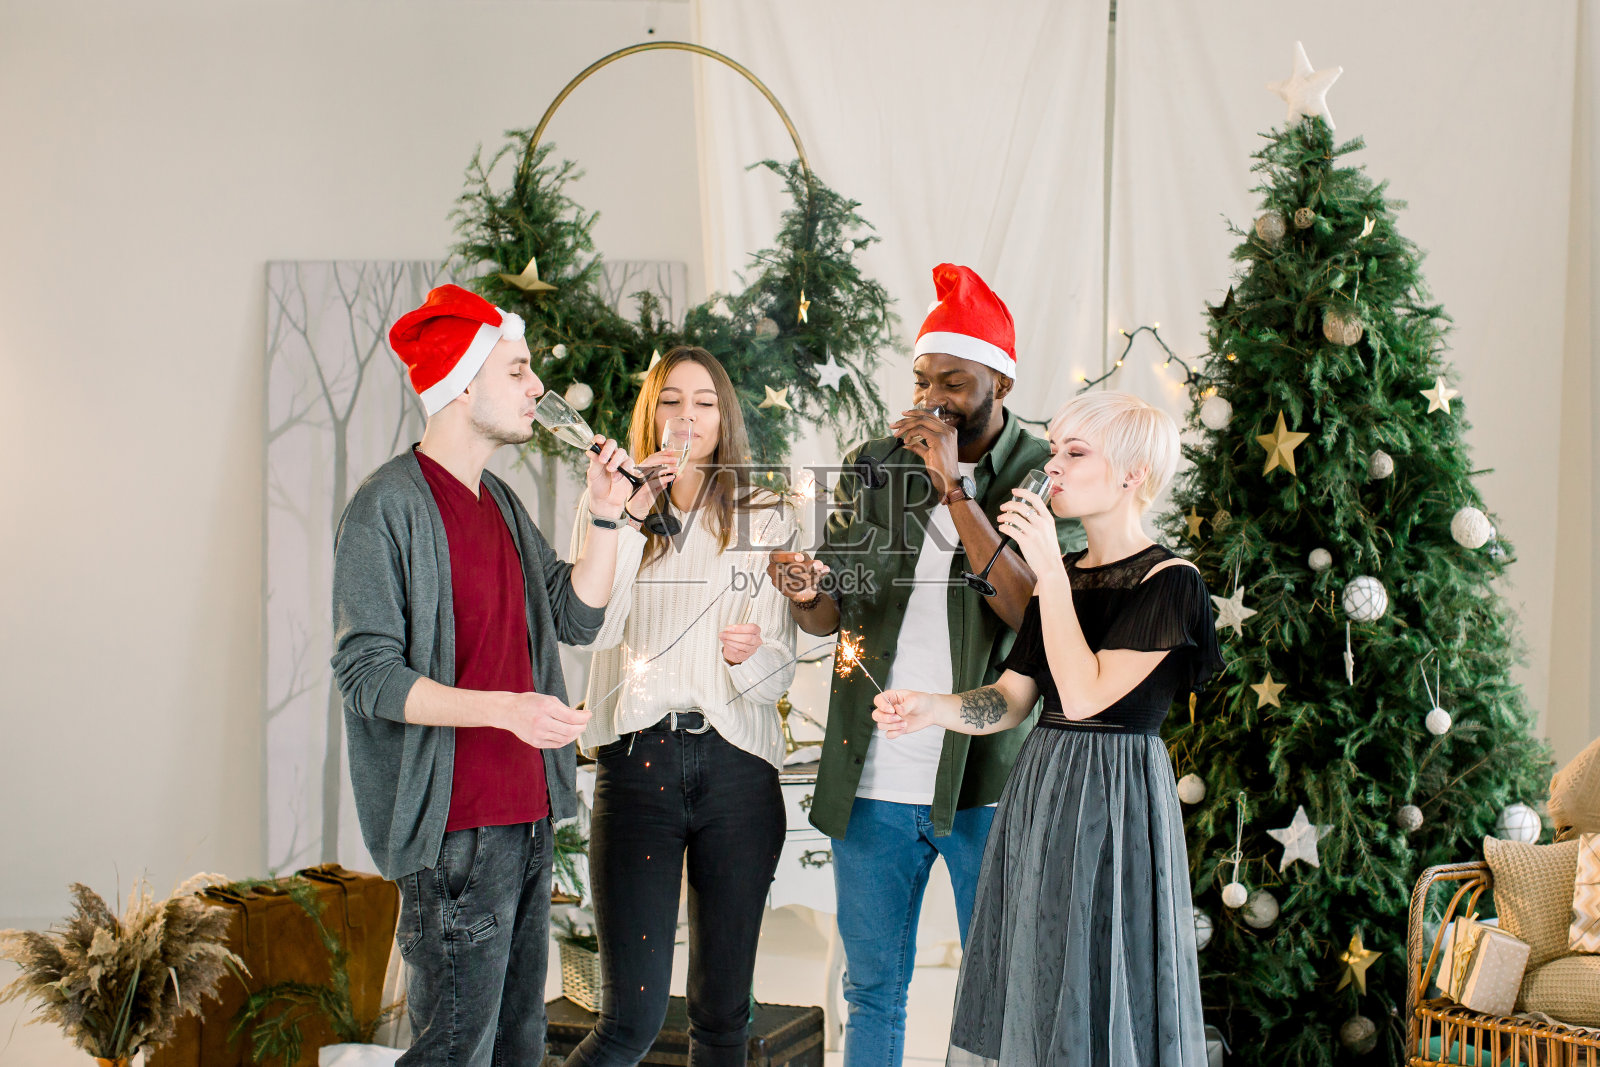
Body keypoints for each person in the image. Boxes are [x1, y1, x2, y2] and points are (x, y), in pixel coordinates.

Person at [768, 264, 1083, 1067]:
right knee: (873, 990)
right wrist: (808, 589)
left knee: (1001, 987)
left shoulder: (1046, 471)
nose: (932, 393)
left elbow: (1032, 610)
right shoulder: (875, 460)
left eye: (954, 378)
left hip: (988, 779)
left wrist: (952, 489)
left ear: (1000, 379)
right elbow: (830, 614)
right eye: (921, 377)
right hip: (872, 775)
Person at [331, 283, 636, 1067]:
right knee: (454, 1048)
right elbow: (368, 675)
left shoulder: (498, 499)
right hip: (455, 835)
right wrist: (508, 711)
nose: (539, 388)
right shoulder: (385, 508)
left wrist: (606, 515)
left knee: (516, 1045)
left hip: (526, 817)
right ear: (463, 385)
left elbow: (575, 614)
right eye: (519, 371)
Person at [871, 390, 1219, 1066]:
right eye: (1054, 448)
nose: (1053, 466)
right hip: (1043, 789)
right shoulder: (1067, 576)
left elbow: (1087, 694)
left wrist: (1046, 571)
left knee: (1102, 970)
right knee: (1037, 971)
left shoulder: (1172, 581)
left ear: (1132, 474)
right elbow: (1012, 697)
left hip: (1116, 801)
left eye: (1075, 452)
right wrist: (933, 707)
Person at [564, 346, 797, 1067]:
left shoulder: (768, 512)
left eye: (702, 401)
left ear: (723, 417)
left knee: (724, 1019)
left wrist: (749, 652)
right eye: (671, 400)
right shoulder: (611, 501)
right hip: (639, 766)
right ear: (651, 414)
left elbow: (777, 676)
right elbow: (592, 626)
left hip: (739, 772)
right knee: (627, 1020)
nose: (687, 415)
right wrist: (628, 514)